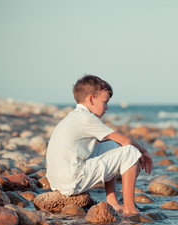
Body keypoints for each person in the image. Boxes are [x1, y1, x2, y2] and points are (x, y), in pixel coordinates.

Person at [46, 74, 153, 216]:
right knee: (131, 151)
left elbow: (115, 142)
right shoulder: (86, 119)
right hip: (70, 180)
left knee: (114, 146)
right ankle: (129, 209)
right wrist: (144, 151)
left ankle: (113, 202)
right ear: (91, 99)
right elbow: (126, 140)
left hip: (59, 180)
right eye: (105, 102)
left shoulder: (75, 116)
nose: (107, 107)